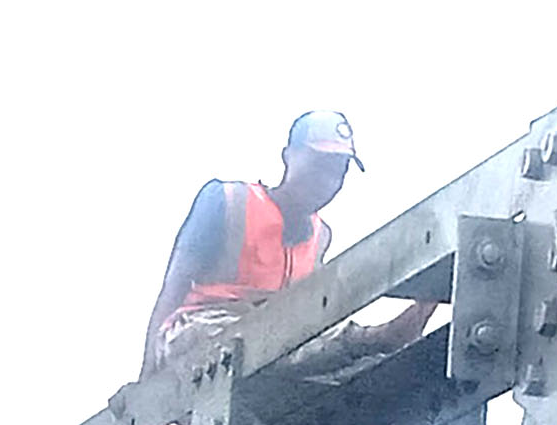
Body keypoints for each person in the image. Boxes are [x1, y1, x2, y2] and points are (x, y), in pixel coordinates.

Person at [136, 109, 438, 379]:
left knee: (345, 369)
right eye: (319, 165)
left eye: (338, 172)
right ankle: (372, 338)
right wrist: (147, 376)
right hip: (204, 330)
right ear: (288, 155)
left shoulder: (321, 236)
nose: (327, 181)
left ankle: (380, 341)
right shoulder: (227, 200)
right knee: (237, 346)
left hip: (278, 342)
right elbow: (173, 286)